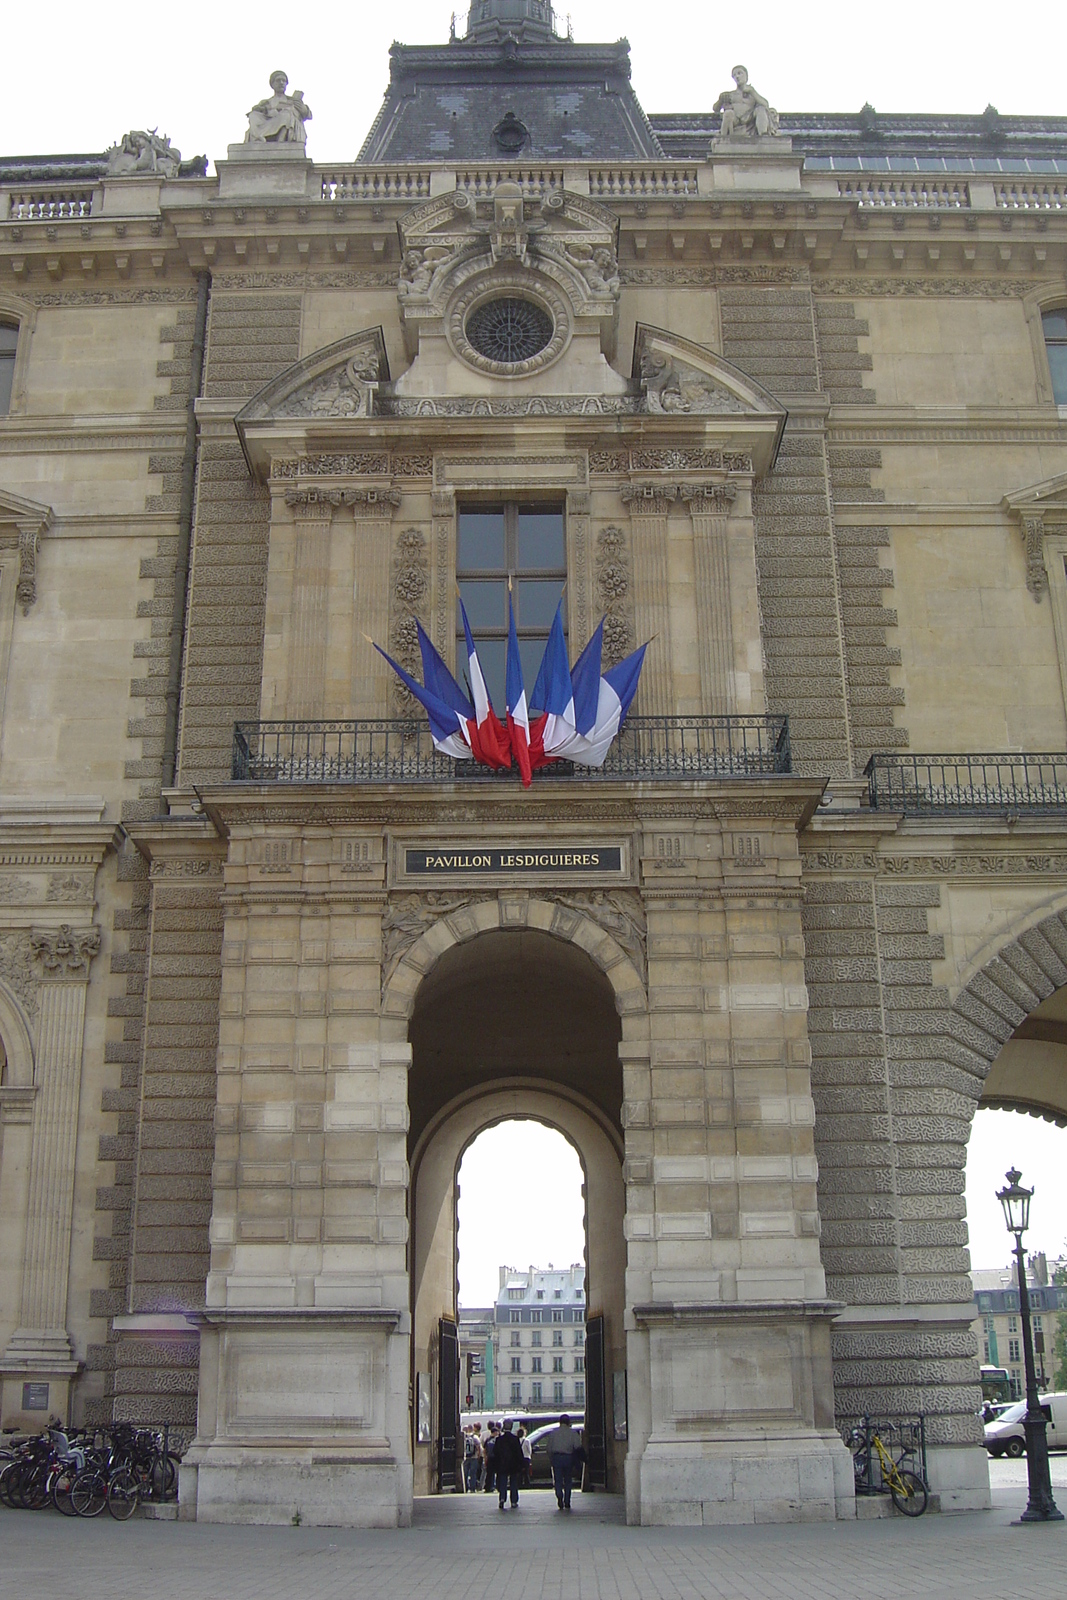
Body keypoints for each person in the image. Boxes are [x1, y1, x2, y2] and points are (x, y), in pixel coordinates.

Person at [544, 1413, 579, 1510]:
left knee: (558, 1479)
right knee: (568, 1480)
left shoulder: (554, 1433)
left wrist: (551, 1459)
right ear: (568, 1422)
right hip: (568, 1457)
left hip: (557, 1457)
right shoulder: (572, 1433)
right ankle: (567, 1500)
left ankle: (559, 1494)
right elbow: (577, 1446)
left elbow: (549, 1448)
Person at [494, 1418, 524, 1510]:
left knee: (503, 1481)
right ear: (511, 1427)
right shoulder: (515, 1439)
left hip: (502, 1464)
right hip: (513, 1464)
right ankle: (514, 1501)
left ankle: (502, 1498)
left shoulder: (499, 1439)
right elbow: (519, 1453)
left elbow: (495, 1452)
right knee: (513, 1482)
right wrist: (521, 1464)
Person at [482, 1421, 498, 1493]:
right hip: (495, 1458)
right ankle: (494, 1486)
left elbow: (484, 1450)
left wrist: (485, 1458)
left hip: (489, 1458)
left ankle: (487, 1487)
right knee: (497, 1473)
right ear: (495, 1432)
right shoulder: (497, 1439)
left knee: (489, 1473)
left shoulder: (487, 1440)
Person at [518, 1424, 532, 1488]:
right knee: (526, 1472)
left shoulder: (516, 1440)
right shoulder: (527, 1441)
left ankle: (519, 1484)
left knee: (519, 1472)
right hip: (526, 1457)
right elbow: (529, 1450)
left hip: (519, 1458)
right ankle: (527, 1484)